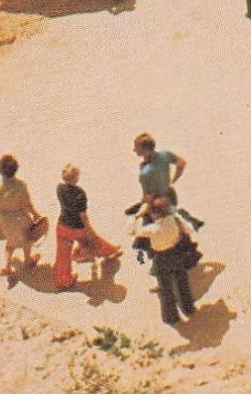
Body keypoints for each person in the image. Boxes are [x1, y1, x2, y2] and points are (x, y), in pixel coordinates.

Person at [131, 193, 197, 325]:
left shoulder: (152, 229)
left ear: (153, 214)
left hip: (161, 258)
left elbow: (131, 230)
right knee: (182, 281)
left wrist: (138, 215)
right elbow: (189, 229)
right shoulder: (174, 220)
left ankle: (171, 317)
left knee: (166, 289)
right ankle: (189, 307)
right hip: (176, 253)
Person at [53, 164, 121, 290]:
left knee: (62, 255)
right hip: (77, 228)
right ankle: (111, 251)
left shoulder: (59, 188)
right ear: (75, 178)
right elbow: (83, 216)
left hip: (62, 225)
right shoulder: (80, 194)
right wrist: (90, 230)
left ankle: (64, 280)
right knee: (94, 241)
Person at [0, 153, 45, 277]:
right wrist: (36, 215)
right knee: (27, 240)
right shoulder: (21, 186)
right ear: (16, 169)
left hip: (4, 219)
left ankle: (7, 266)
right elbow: (27, 204)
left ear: (0, 171)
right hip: (20, 218)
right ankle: (28, 260)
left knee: (9, 242)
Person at [132, 133, 204, 229]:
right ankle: (187, 220)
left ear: (145, 150)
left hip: (157, 200)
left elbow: (149, 196)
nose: (134, 150)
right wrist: (173, 179)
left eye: (137, 147)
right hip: (170, 193)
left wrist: (142, 208)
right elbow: (181, 163)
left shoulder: (146, 171)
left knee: (148, 225)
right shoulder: (165, 154)